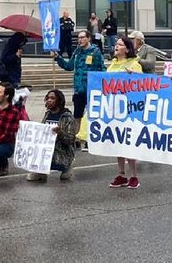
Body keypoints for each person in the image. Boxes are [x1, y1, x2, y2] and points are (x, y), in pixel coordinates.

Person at [106, 37, 143, 189]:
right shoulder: (112, 65)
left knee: (129, 143)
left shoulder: (134, 64)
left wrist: (133, 76)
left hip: (129, 110)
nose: (116, 46)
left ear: (127, 49)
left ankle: (134, 175)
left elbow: (141, 84)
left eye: (120, 44)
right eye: (116, 44)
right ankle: (121, 174)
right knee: (118, 142)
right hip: (114, 109)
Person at [53, 29, 105, 136]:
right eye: (79, 38)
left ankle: (91, 137)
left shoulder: (95, 51)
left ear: (89, 38)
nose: (80, 40)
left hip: (91, 89)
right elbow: (69, 66)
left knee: (92, 114)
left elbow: (102, 69)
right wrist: (58, 58)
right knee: (78, 114)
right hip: (79, 89)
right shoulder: (77, 51)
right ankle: (77, 137)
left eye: (82, 37)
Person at [27, 89, 78, 182]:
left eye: (52, 98)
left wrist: (60, 133)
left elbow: (70, 140)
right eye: (48, 98)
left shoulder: (67, 117)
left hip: (61, 151)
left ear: (59, 101)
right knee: (31, 178)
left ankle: (68, 166)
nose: (49, 100)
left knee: (65, 178)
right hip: (46, 150)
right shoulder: (48, 114)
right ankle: (42, 170)